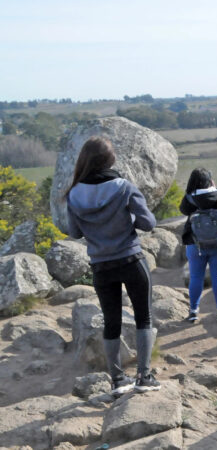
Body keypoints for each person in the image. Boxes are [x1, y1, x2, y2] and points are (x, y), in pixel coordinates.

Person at [65, 137, 160, 395]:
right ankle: (144, 377)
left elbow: (73, 232)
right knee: (144, 317)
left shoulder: (73, 194)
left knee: (111, 322)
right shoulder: (124, 187)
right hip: (131, 259)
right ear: (110, 159)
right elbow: (148, 223)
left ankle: (117, 380)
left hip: (101, 266)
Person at [180, 168, 217, 323]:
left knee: (196, 277)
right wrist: (216, 188)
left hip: (195, 243)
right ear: (210, 180)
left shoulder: (189, 199)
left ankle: (193, 312)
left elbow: (183, 210)